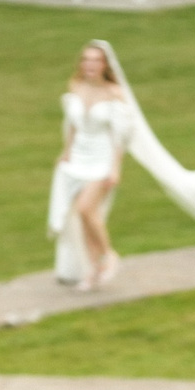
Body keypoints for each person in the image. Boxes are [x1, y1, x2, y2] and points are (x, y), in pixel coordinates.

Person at [50, 42, 133, 289]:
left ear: (105, 65)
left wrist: (115, 168)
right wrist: (66, 152)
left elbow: (120, 135)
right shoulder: (76, 87)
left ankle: (109, 255)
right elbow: (72, 124)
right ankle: (92, 269)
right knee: (83, 217)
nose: (90, 65)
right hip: (78, 158)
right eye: (86, 59)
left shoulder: (114, 93)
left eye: (96, 60)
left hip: (101, 159)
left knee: (86, 209)